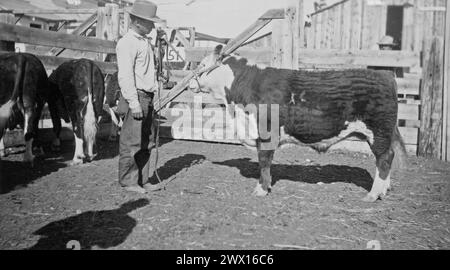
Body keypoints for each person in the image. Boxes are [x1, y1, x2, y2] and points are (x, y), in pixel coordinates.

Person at [116, 0, 164, 194]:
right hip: (136, 97)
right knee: (132, 141)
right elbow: (125, 75)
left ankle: (143, 179)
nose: (152, 26)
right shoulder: (127, 43)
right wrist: (134, 103)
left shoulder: (144, 42)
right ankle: (128, 181)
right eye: (149, 22)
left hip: (147, 96)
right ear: (137, 21)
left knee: (147, 140)